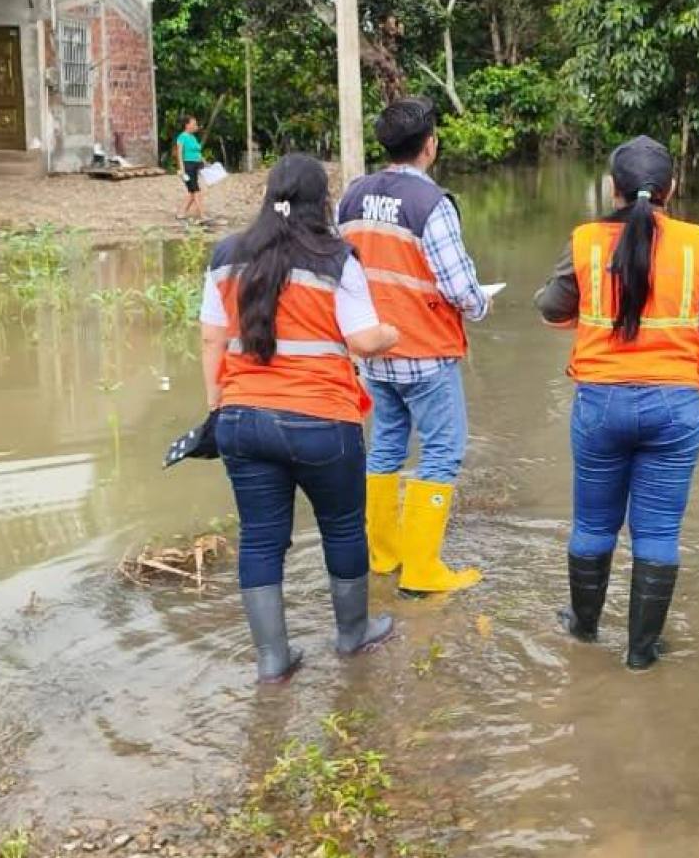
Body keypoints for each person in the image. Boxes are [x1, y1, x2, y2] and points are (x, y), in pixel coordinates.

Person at [201, 155, 403, 684]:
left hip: (242, 419)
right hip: (322, 421)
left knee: (260, 538)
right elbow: (363, 340)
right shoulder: (336, 258)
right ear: (322, 202)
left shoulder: (226, 256)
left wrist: (217, 407)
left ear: (269, 197)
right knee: (342, 526)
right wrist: (391, 333)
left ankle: (273, 661)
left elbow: (211, 339)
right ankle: (352, 634)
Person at [533, 137, 699, 670]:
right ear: (672, 188)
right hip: (676, 405)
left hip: (600, 404)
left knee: (593, 525)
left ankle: (583, 629)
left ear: (612, 189)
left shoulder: (585, 241)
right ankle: (641, 654)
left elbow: (552, 312)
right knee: (659, 532)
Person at [337, 98, 492, 596]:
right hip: (425, 352)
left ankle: (384, 556)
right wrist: (481, 303)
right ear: (430, 145)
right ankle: (424, 571)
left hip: (374, 352)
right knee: (442, 452)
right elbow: (459, 288)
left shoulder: (351, 197)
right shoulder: (430, 203)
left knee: (385, 447)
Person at [175, 116, 206, 221]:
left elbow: (197, 152)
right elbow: (179, 154)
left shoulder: (193, 137)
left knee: (192, 192)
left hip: (196, 165)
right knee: (196, 191)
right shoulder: (182, 137)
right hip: (188, 166)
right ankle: (202, 215)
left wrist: (205, 162)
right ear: (187, 125)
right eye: (194, 124)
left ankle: (181, 213)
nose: (196, 126)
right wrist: (182, 169)